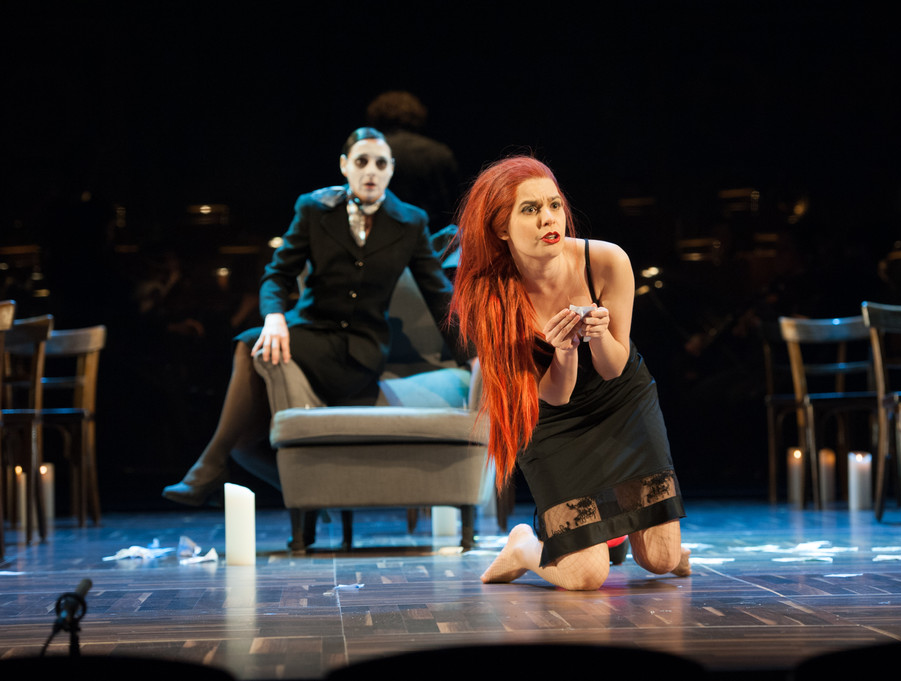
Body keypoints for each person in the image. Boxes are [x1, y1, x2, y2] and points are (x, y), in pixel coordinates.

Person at [162, 127, 461, 511]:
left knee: (246, 356)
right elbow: (277, 274)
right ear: (345, 166)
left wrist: (473, 354)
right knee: (248, 413)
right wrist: (274, 317)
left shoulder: (410, 221)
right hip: (310, 334)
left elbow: (439, 296)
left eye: (380, 163)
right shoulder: (314, 209)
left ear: (391, 170)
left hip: (360, 352)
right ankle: (287, 488)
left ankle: (211, 466)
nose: (371, 171)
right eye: (362, 162)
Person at [448, 156, 690, 591]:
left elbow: (614, 367)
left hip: (621, 402)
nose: (548, 219)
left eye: (554, 205)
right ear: (501, 229)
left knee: (661, 559)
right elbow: (555, 396)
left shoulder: (606, 261)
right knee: (585, 576)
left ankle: (618, 534)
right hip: (552, 420)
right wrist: (563, 352)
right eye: (530, 209)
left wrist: (597, 336)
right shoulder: (490, 297)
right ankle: (524, 546)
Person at [366, 91, 460, 231]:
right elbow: (453, 206)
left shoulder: (366, 153)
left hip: (380, 235)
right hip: (430, 235)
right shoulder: (439, 153)